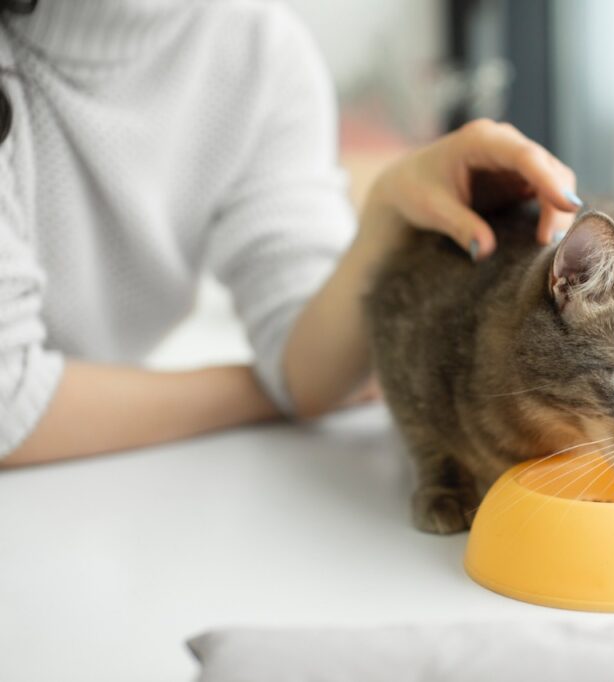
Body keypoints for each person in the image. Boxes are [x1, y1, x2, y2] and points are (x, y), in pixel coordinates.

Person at [0, 0, 580, 467]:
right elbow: (8, 404)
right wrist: (261, 391)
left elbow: (306, 368)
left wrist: (389, 219)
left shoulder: (258, 49)